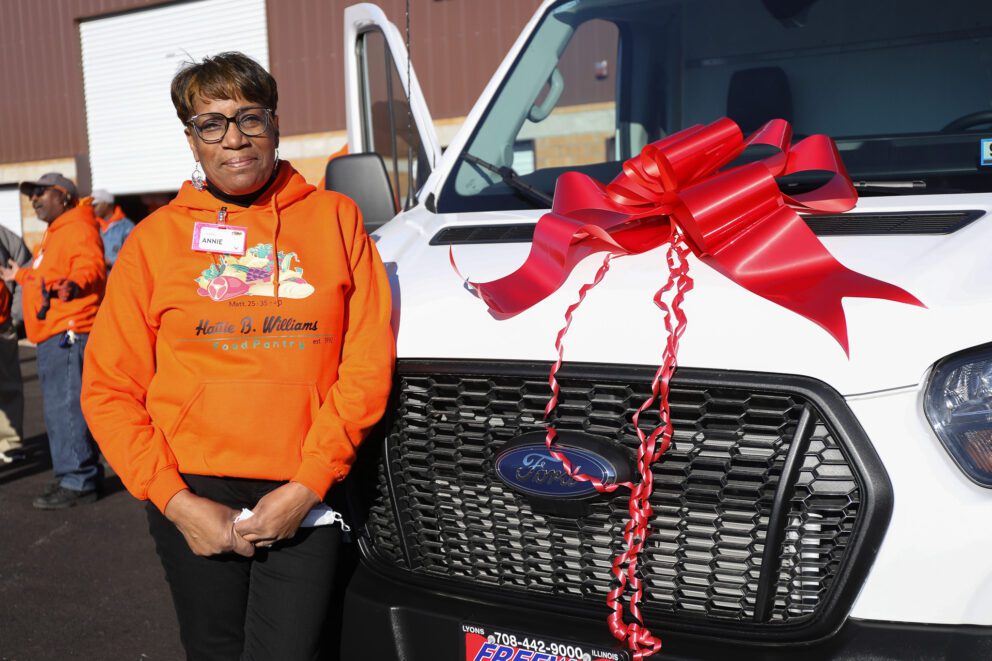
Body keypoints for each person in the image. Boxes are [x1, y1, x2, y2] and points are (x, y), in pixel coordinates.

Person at [80, 52, 394, 660]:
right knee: (214, 651)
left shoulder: (335, 219)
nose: (235, 138)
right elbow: (109, 388)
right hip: (195, 491)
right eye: (212, 123)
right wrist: (175, 501)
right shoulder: (153, 242)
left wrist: (307, 486)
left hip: (305, 487)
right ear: (192, 139)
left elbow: (365, 366)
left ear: (275, 125)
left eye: (251, 117)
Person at [0, 173, 106, 508]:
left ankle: (77, 480)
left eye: (40, 193)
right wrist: (19, 275)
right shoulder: (56, 232)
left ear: (64, 196)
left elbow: (90, 268)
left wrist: (74, 284)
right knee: (62, 409)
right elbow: (47, 277)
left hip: (68, 332)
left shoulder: (77, 228)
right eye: (31, 194)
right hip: (54, 332)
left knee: (66, 409)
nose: (34, 199)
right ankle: (79, 474)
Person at [0, 225, 32, 464]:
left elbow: (26, 265)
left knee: (8, 384)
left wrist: (16, 314)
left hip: (2, 323)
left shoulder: (3, 236)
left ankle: (9, 443)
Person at [90, 188, 134, 271]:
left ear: (107, 204)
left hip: (118, 279)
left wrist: (111, 261)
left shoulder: (127, 227)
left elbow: (132, 256)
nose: (93, 208)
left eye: (95, 205)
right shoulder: (93, 225)